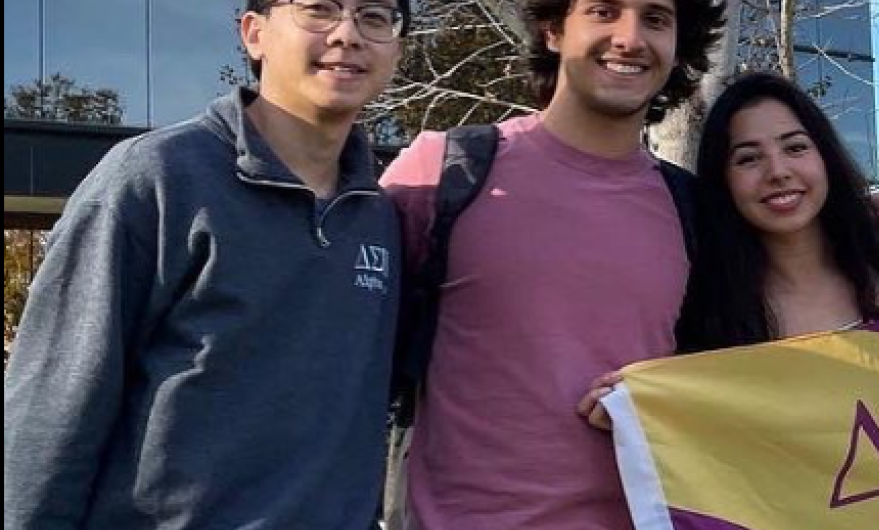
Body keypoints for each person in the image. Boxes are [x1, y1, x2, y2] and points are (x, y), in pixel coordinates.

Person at [3, 1, 408, 527]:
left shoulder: (379, 216)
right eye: (319, 10)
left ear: (396, 48)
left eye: (375, 17)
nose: (348, 34)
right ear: (254, 33)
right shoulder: (158, 179)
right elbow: (53, 405)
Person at [378, 0, 724, 527]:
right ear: (553, 30)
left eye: (655, 18)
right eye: (605, 12)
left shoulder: (695, 210)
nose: (631, 37)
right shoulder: (442, 172)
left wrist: (875, 224)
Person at [673, 72, 879, 353]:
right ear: (723, 180)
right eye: (749, 158)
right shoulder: (706, 315)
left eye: (795, 147)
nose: (778, 172)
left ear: (825, 158)